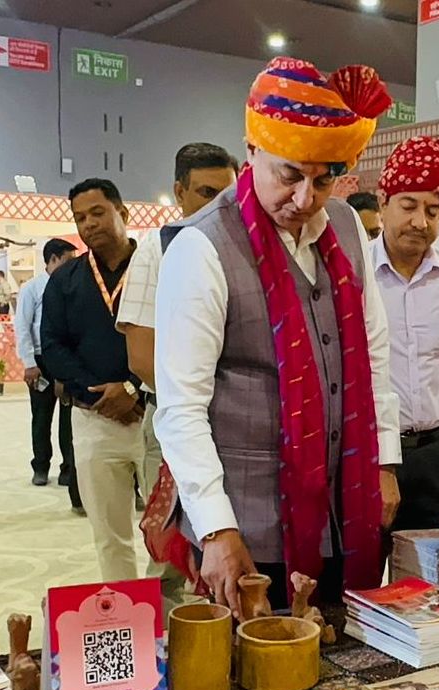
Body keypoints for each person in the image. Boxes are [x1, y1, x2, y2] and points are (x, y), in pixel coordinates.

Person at [154, 57, 402, 618]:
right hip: (246, 520)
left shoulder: (346, 227)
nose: (306, 197)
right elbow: (181, 407)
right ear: (252, 151)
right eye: (289, 175)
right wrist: (216, 529)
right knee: (255, 662)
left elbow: (373, 351)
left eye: (324, 179)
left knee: (344, 646)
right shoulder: (202, 246)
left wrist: (383, 463)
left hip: (343, 508)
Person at [118, 141, 237, 605]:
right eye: (206, 193)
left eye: (227, 193)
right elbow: (140, 355)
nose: (218, 205)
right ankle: (170, 640)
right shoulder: (159, 247)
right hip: (178, 424)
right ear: (179, 192)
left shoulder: (242, 245)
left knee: (230, 544)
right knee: (172, 550)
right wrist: (192, 411)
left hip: (238, 432)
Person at [40, 178, 147, 583]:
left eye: (98, 213)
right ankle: (128, 610)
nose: (89, 224)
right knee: (109, 533)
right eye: (80, 218)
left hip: (156, 415)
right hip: (95, 418)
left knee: (170, 531)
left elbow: (178, 336)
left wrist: (134, 388)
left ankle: (171, 611)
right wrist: (99, 395)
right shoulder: (65, 280)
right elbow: (53, 346)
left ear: (123, 212)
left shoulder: (157, 268)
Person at [373, 136, 439, 531]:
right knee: (364, 563)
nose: (420, 222)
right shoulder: (353, 272)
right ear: (383, 202)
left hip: (437, 454)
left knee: (438, 563)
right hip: (369, 454)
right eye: (409, 206)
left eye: (434, 211)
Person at [16, 238, 82, 505]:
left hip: (65, 360)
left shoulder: (73, 286)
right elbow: (23, 326)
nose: (72, 265)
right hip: (41, 361)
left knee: (69, 419)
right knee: (41, 417)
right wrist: (29, 363)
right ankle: (41, 466)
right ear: (53, 259)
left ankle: (68, 468)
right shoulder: (32, 288)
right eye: (68, 260)